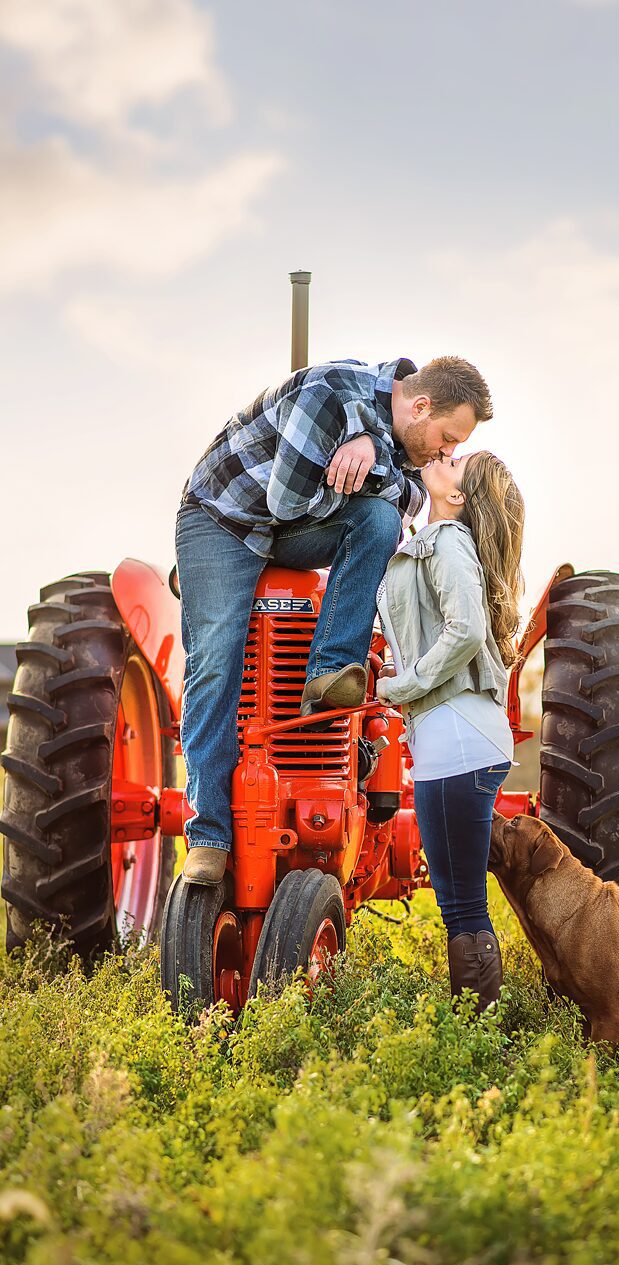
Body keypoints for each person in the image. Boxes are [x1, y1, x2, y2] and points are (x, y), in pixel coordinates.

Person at [175, 355, 493, 885]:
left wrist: (370, 457)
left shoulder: (402, 434)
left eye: (455, 447)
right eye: (449, 437)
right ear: (419, 406)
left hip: (288, 526)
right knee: (215, 665)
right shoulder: (329, 393)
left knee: (379, 520)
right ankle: (209, 835)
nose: (448, 452)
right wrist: (372, 461)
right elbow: (287, 501)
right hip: (223, 522)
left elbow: (410, 502)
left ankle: (330, 669)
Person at [375, 450, 525, 1012]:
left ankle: (478, 1035)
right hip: (457, 736)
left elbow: (465, 632)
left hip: (457, 737)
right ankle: (477, 1026)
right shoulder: (434, 541)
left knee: (462, 906)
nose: (443, 456)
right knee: (461, 902)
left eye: (454, 462)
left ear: (458, 496)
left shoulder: (448, 541)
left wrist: (403, 686)